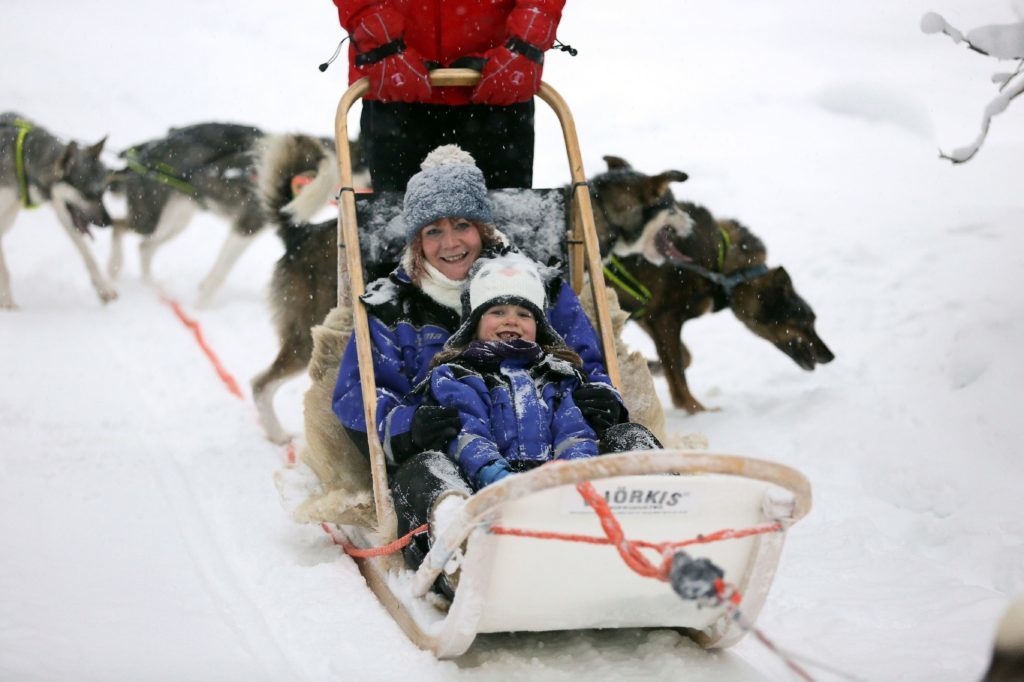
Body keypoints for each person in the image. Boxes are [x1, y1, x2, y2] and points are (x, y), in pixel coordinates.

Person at [331, 144, 624, 465]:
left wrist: (600, 395)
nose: (451, 243)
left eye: (462, 226)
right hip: (450, 456)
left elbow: (588, 362)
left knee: (628, 437)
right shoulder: (391, 309)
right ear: (417, 242)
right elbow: (358, 394)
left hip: (556, 446)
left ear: (482, 230)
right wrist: (408, 425)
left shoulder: (541, 286)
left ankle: (660, 499)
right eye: (433, 231)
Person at [388, 253, 662, 589]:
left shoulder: (560, 375)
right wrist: (498, 479)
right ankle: (455, 544)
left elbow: (573, 430)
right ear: (474, 324)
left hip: (561, 497)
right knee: (427, 466)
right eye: (497, 312)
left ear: (539, 327)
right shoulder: (457, 374)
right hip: (483, 498)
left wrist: (572, 478)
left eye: (523, 313)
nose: (511, 320)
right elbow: (467, 431)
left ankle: (664, 517)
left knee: (631, 436)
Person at [330, 0, 567, 190]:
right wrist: (382, 44)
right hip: (396, 91)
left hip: (497, 89)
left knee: (505, 231)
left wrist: (525, 45)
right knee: (397, 231)